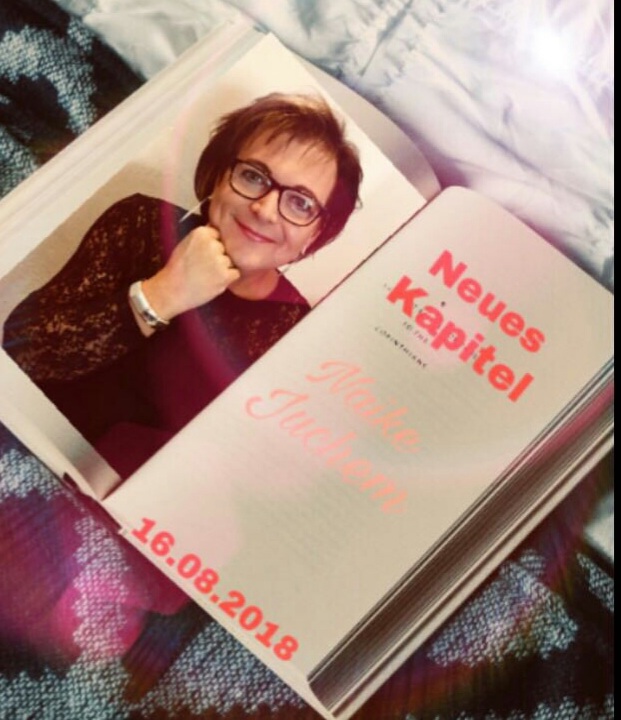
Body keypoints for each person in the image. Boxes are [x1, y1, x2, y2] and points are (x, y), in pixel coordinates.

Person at [3, 92, 363, 478]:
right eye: (253, 176)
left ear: (316, 234)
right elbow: (20, 353)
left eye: (301, 203)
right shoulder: (140, 222)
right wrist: (162, 295)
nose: (264, 209)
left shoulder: (297, 335)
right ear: (218, 176)